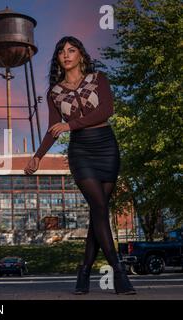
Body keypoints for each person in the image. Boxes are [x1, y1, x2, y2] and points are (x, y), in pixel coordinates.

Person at [24, 36, 136, 295]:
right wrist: (38, 156)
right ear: (58, 59)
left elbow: (107, 110)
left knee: (99, 213)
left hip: (106, 146)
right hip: (81, 152)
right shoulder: (54, 91)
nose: (66, 54)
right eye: (61, 51)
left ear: (81, 55)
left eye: (71, 50)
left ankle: (84, 271)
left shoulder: (99, 79)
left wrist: (70, 124)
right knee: (98, 206)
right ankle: (119, 273)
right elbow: (54, 130)